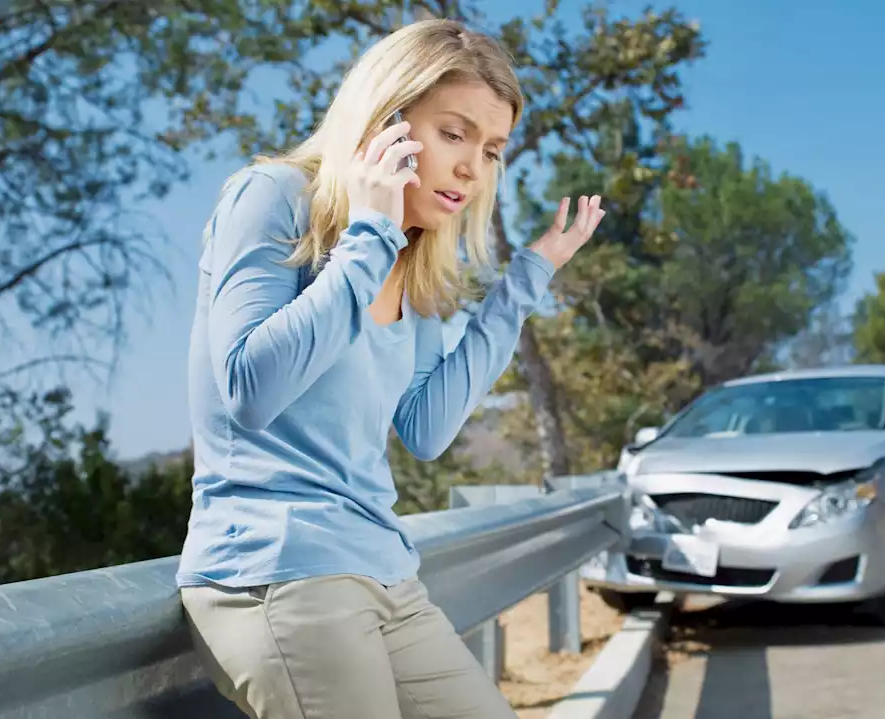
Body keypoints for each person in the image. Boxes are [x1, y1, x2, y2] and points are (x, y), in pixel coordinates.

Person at [176, 18, 605, 719]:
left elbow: (428, 427)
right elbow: (248, 390)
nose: (473, 168)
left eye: (492, 150)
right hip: (277, 572)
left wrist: (527, 279)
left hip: (385, 575)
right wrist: (369, 234)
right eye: (454, 133)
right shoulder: (276, 198)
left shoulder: (414, 256)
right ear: (386, 122)